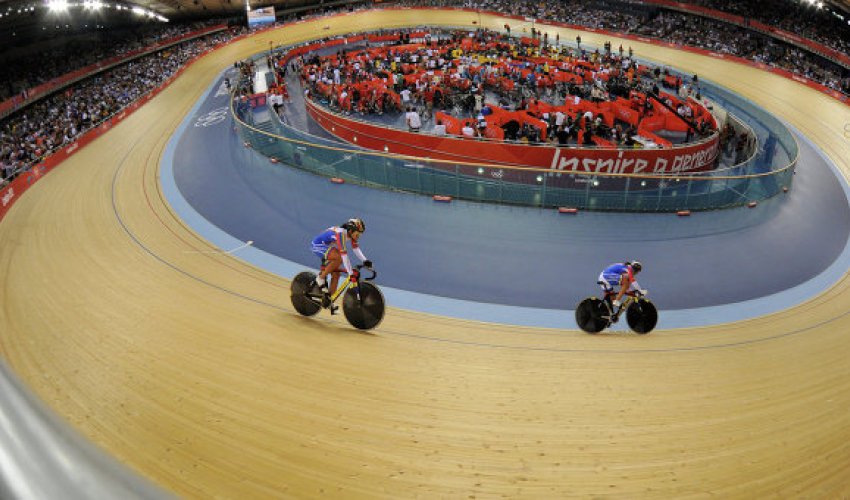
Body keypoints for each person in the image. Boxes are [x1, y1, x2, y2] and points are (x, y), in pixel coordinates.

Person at [311, 218, 372, 312]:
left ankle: (329, 300)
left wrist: (365, 260)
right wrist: (350, 273)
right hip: (318, 245)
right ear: (351, 230)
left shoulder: (351, 234)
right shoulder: (340, 234)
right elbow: (344, 255)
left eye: (360, 234)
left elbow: (356, 249)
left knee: (336, 275)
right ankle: (321, 278)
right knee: (338, 258)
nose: (358, 236)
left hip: (327, 246)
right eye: (358, 233)